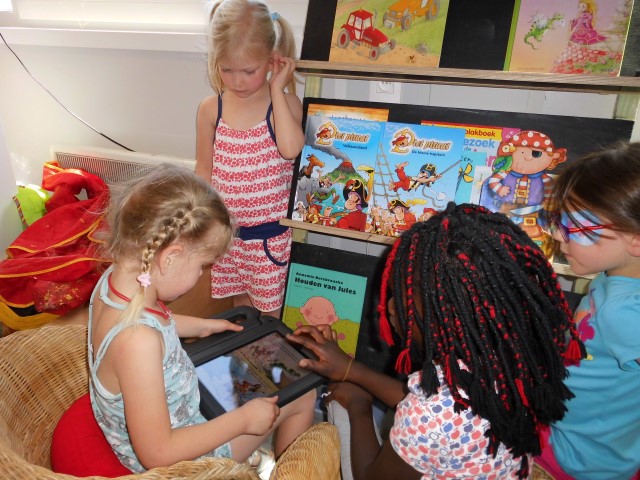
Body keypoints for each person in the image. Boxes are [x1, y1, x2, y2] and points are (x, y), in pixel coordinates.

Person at [289, 202, 585, 480]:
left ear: (446, 319)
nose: (390, 307)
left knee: (337, 409)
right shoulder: (514, 360)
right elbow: (436, 407)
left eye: (403, 300)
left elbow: (374, 474)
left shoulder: (426, 415)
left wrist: (358, 405)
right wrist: (351, 370)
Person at [88, 164, 315, 473]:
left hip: (171, 416)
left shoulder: (114, 283)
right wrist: (243, 420)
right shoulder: (137, 343)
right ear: (169, 258)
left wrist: (202, 325)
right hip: (178, 464)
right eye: (202, 265)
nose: (201, 275)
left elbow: (152, 321)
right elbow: (158, 453)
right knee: (303, 396)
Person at [536, 141, 640, 480]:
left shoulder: (626, 312)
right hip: (573, 429)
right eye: (557, 221)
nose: (558, 236)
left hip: (579, 457)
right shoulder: (615, 277)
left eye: (577, 227)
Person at [195, 0, 304, 318]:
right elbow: (204, 171)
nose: (237, 81)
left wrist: (277, 89)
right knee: (240, 310)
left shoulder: (285, 105)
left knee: (270, 317)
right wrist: (203, 223)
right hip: (229, 238)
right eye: (227, 69)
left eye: (248, 71)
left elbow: (291, 149)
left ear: (271, 60)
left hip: (269, 240)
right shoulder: (210, 109)